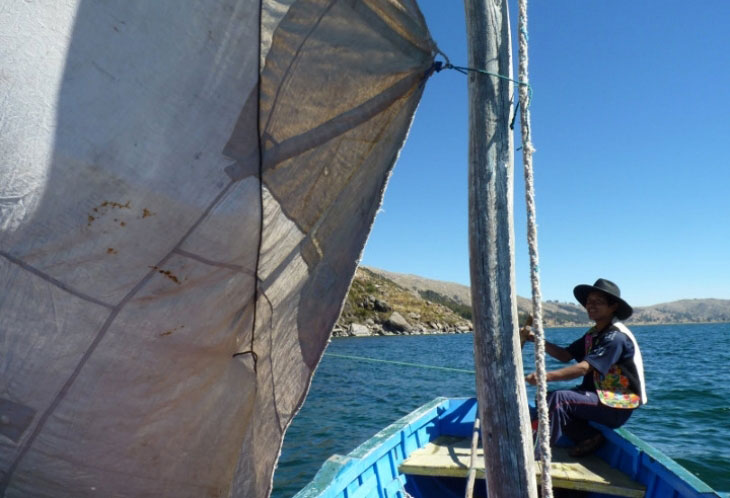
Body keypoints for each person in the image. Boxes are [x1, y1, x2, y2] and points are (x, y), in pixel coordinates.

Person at [523, 278, 647, 457]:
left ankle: (536, 453)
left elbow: (583, 368)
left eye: (598, 302)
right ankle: (588, 436)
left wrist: (545, 377)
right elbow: (565, 355)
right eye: (589, 302)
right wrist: (536, 340)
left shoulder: (616, 337)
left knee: (559, 399)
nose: (591, 305)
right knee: (545, 397)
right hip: (599, 398)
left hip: (616, 405)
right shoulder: (593, 334)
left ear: (613, 307)